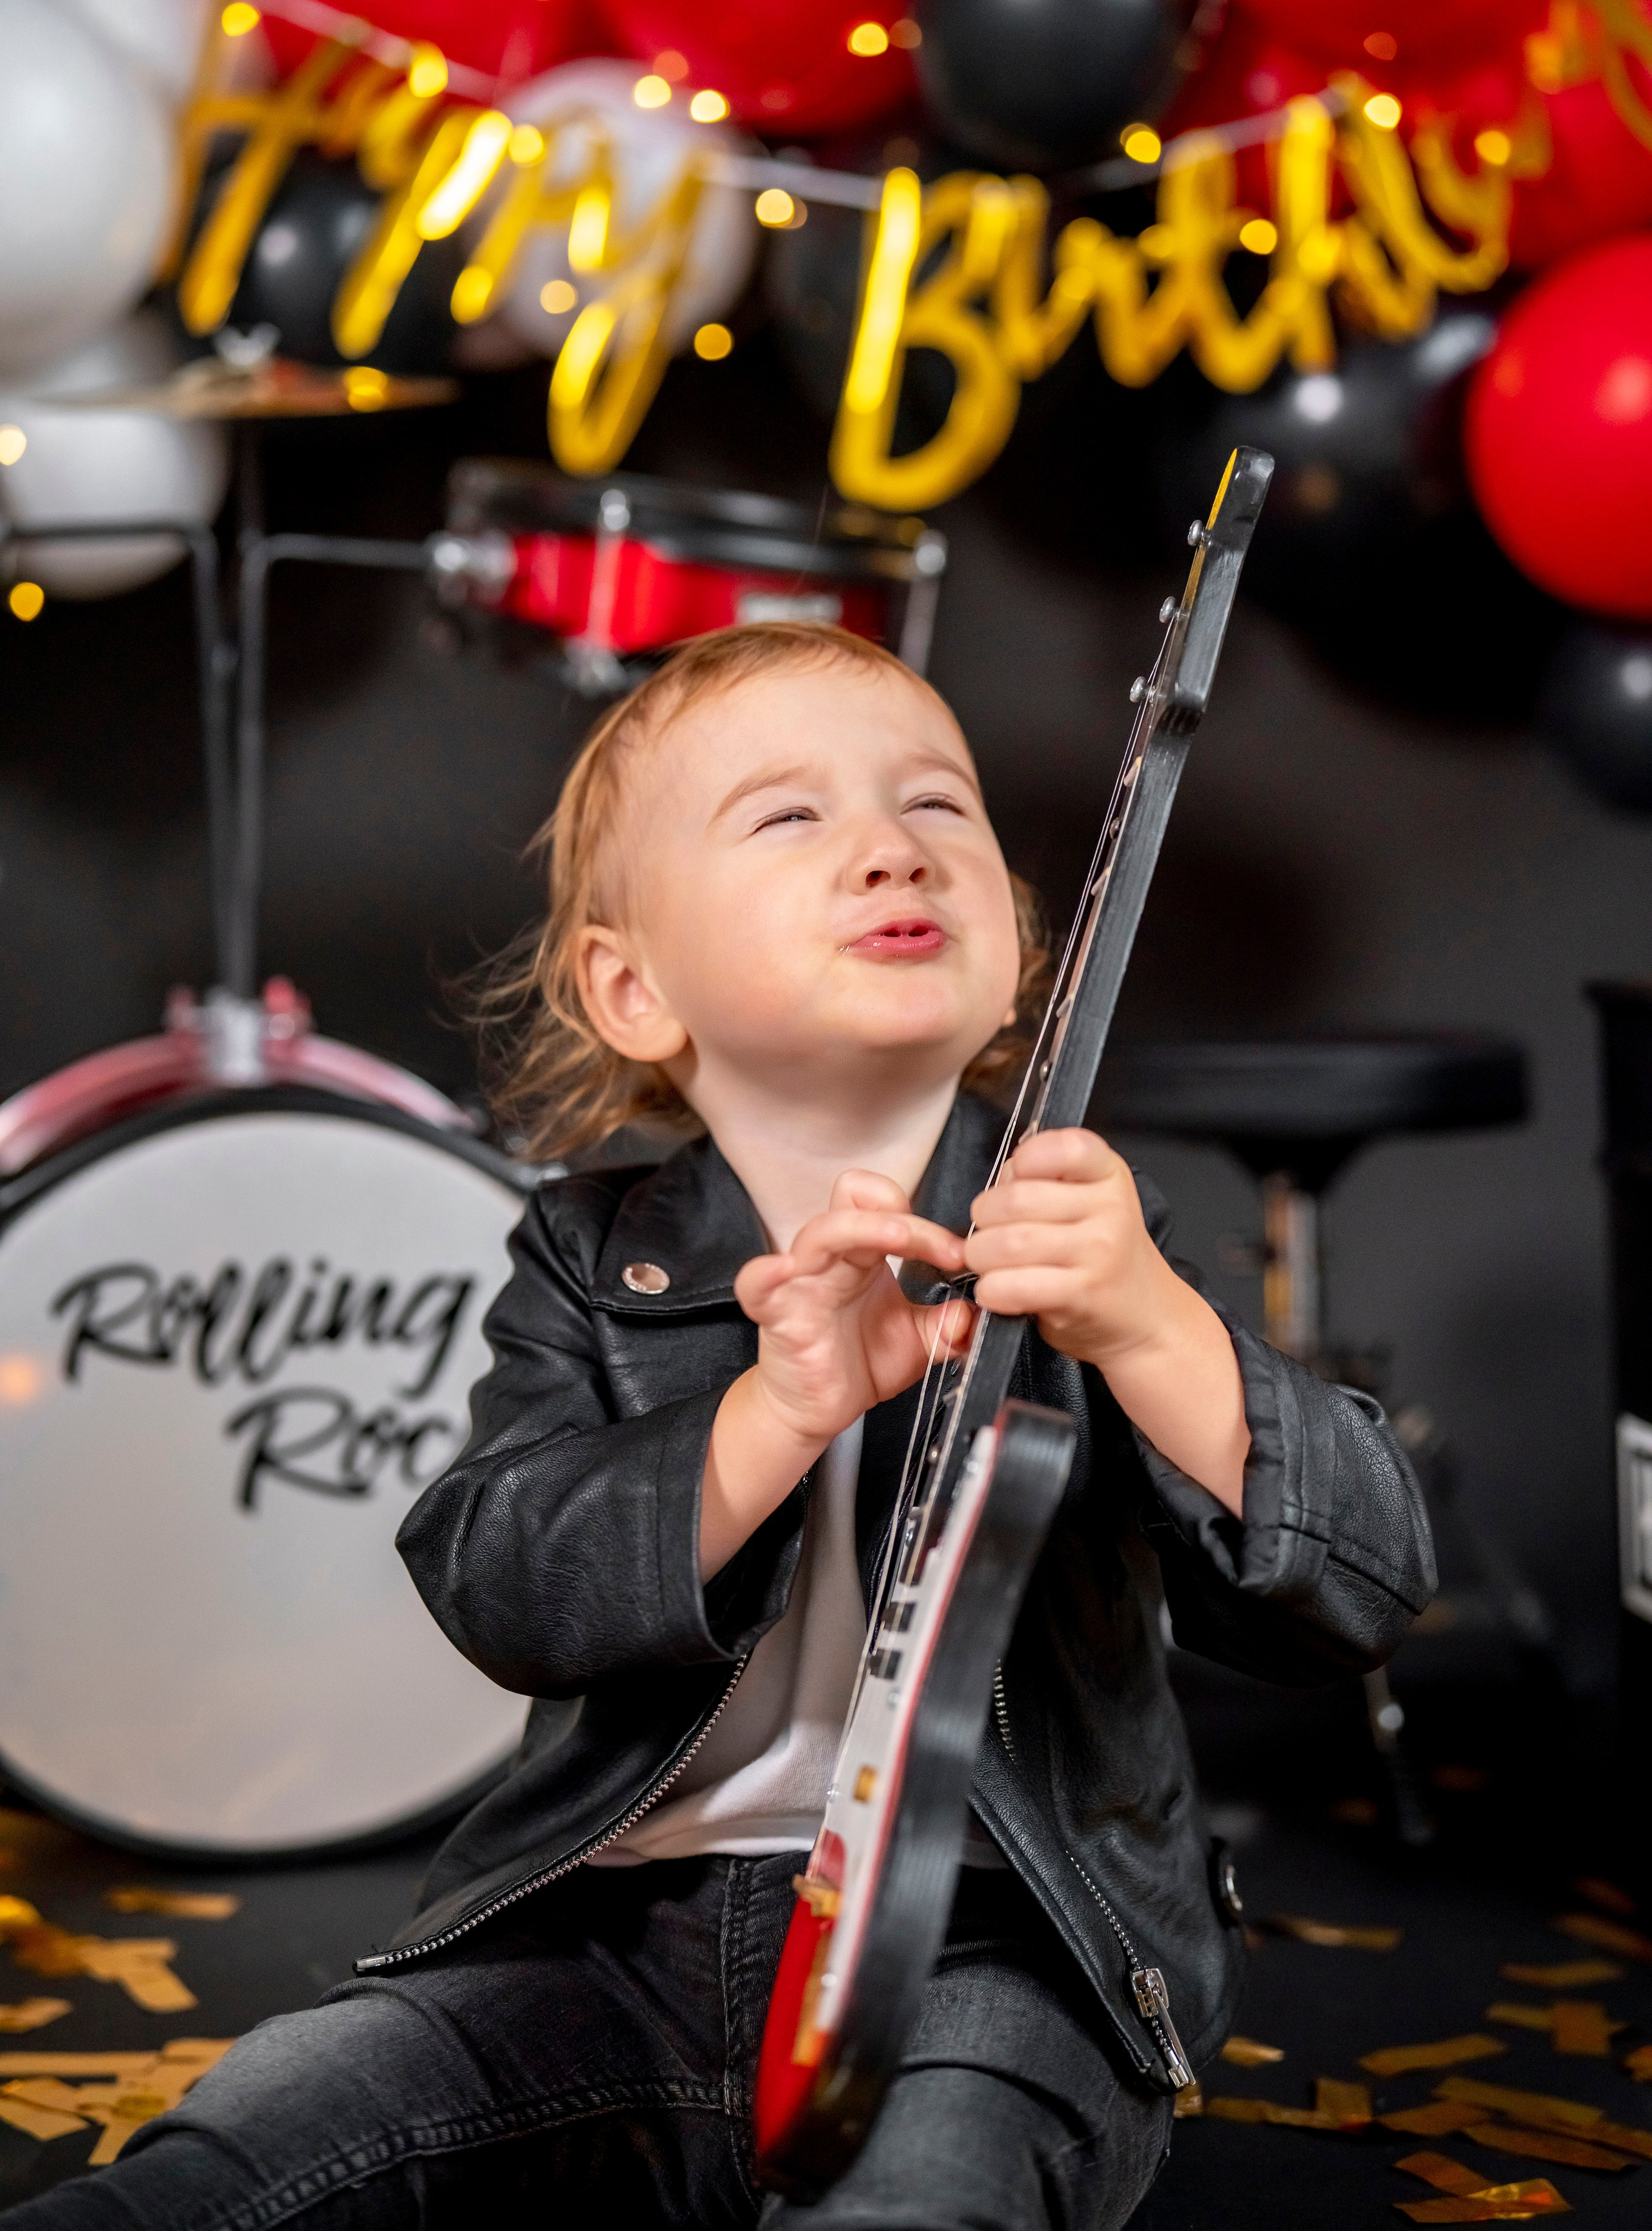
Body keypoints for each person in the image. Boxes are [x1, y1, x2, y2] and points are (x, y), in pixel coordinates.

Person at [15, 623, 1434, 2230]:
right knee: (254, 2143)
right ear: (632, 987)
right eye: (788, 816)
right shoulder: (582, 1252)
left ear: (1023, 940)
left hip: (986, 1944)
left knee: (926, 2196)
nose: (890, 845)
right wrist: (775, 1407)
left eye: (935, 806)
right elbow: (500, 1578)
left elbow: (1360, 1587)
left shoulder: (1085, 1236)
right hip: (608, 1945)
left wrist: (1152, 1328)